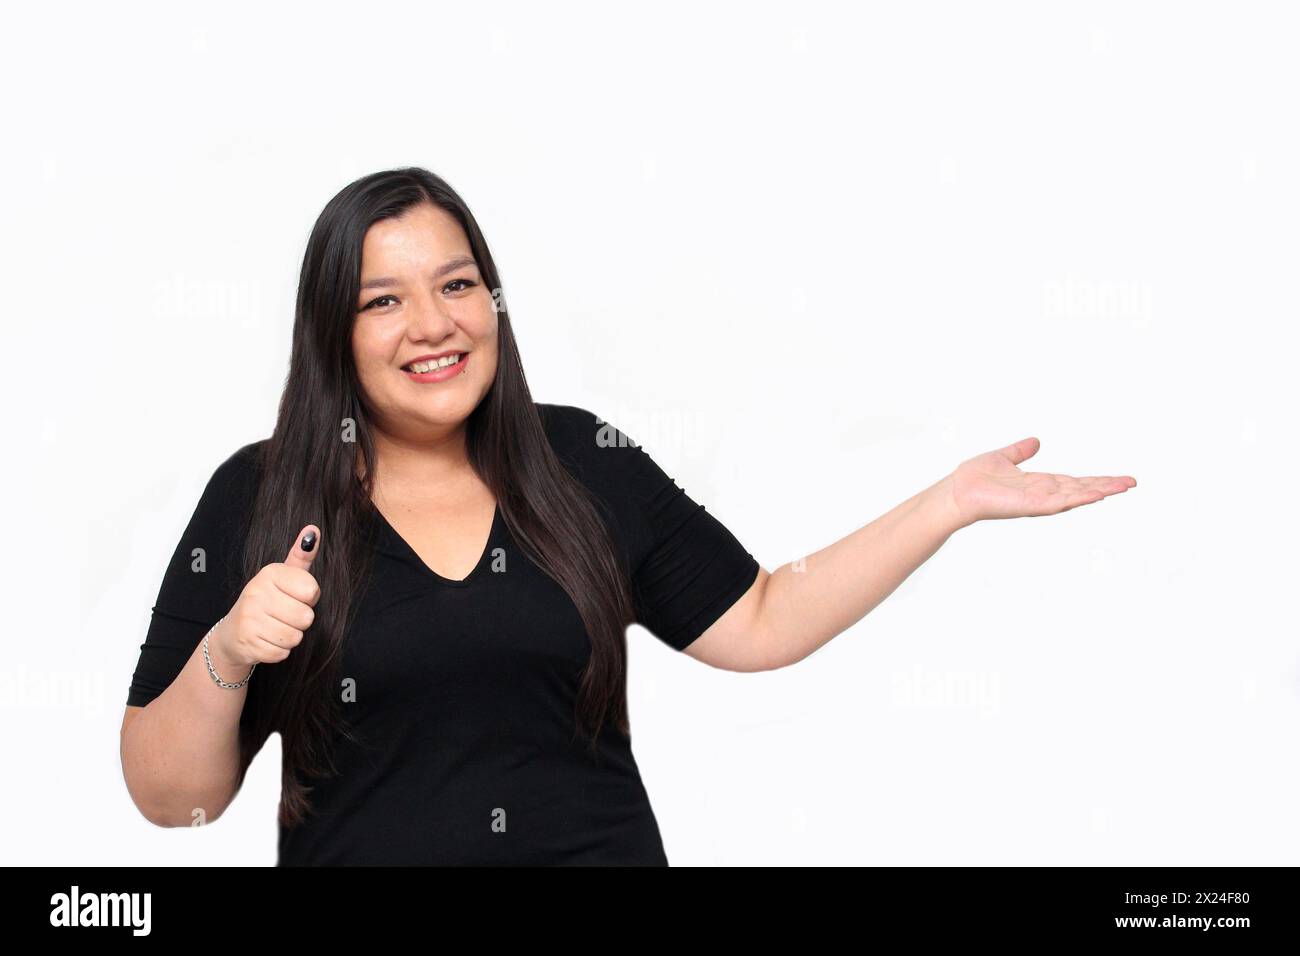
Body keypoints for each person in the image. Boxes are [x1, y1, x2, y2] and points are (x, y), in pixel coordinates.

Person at [120, 166, 1136, 866]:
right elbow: (173, 797)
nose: (434, 324)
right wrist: (228, 649)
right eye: (383, 300)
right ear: (332, 331)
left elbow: (765, 615)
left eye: (458, 284)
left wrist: (946, 502)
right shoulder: (258, 496)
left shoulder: (577, 461)